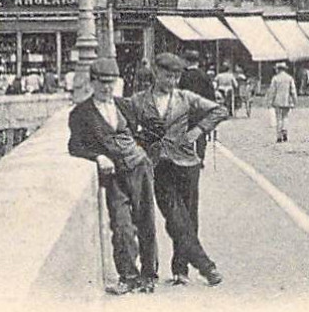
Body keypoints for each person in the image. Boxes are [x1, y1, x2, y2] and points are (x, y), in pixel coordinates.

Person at [125, 52, 229, 286]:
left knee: (189, 218)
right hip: (159, 165)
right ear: (155, 72)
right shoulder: (139, 101)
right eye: (166, 76)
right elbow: (125, 127)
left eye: (175, 77)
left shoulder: (185, 98)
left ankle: (181, 270)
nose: (171, 81)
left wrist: (197, 131)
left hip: (187, 164)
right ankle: (206, 266)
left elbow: (220, 111)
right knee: (174, 216)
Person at [67, 58, 157, 294]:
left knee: (146, 221)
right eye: (102, 83)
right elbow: (74, 146)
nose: (107, 88)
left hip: (139, 167)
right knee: (122, 225)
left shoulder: (124, 105)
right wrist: (97, 157)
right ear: (92, 82)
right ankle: (128, 276)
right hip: (115, 176)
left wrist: (143, 151)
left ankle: (149, 275)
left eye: (111, 83)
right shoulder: (81, 113)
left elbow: (146, 129)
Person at [269, 61, 298, 143]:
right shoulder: (289, 78)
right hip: (287, 100)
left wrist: (270, 100)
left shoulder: (275, 78)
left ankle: (279, 136)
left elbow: (272, 91)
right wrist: (295, 100)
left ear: (278, 69)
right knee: (285, 117)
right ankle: (285, 131)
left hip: (277, 100)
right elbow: (293, 90)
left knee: (278, 118)